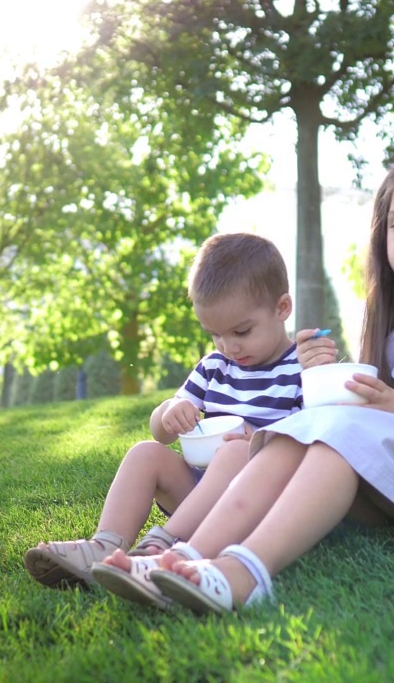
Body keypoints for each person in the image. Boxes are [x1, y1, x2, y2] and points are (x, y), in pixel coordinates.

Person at [94, 149, 394, 614]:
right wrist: (321, 381)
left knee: (337, 440)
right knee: (301, 433)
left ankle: (245, 573)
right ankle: (184, 556)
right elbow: (363, 417)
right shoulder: (391, 323)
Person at [23, 232, 304, 605]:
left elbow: (310, 443)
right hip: (197, 497)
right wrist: (170, 412)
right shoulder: (215, 367)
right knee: (144, 452)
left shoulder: (302, 368)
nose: (229, 347)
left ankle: (161, 545)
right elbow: (161, 433)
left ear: (282, 307)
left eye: (241, 332)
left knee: (235, 454)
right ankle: (103, 546)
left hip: (253, 506)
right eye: (215, 334)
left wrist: (259, 438)